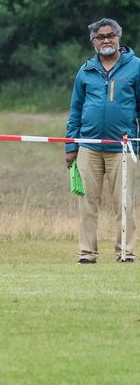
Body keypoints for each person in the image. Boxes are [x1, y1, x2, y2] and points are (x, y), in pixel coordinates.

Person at [64, 18, 140, 264]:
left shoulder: (136, 67)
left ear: (119, 38)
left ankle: (125, 252)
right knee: (87, 204)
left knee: (125, 203)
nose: (106, 40)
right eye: (100, 37)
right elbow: (75, 110)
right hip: (89, 146)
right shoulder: (85, 70)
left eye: (110, 35)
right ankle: (87, 253)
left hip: (123, 147)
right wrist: (70, 146)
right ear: (93, 42)